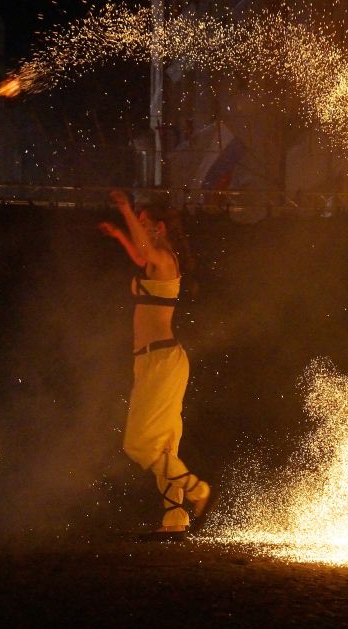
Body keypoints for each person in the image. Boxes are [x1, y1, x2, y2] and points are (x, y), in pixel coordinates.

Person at [99, 189, 213, 539]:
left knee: (138, 444)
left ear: (159, 227)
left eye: (146, 223)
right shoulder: (155, 258)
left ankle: (196, 489)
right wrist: (121, 233)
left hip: (162, 360)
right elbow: (138, 254)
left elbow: (145, 252)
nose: (141, 228)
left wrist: (124, 210)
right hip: (153, 361)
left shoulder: (164, 258)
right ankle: (175, 518)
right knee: (163, 446)